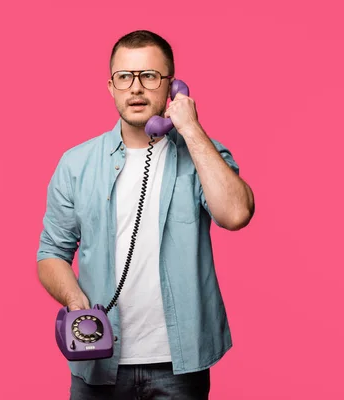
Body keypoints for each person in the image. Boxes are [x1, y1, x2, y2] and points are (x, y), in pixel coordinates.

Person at [36, 30, 255, 399]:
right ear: (111, 86)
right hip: (98, 360)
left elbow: (235, 214)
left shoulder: (203, 155)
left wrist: (190, 128)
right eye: (125, 77)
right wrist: (77, 304)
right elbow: (51, 254)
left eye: (150, 76)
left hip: (180, 365)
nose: (136, 88)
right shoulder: (76, 164)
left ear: (172, 86)